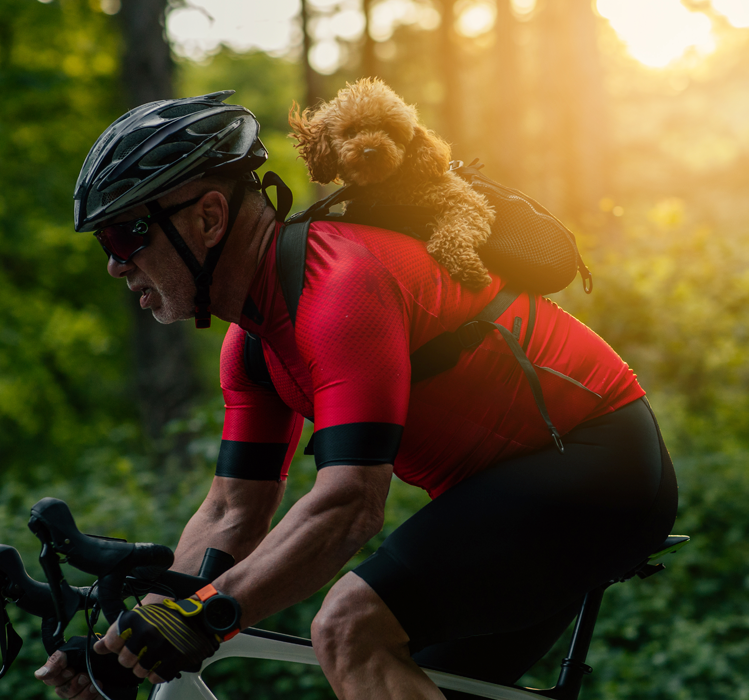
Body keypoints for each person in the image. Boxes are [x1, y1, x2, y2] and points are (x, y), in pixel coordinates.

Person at [36, 91, 677, 700]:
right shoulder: (253, 343)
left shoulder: (340, 287)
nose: (116, 265)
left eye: (127, 236)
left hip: (600, 465)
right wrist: (123, 645)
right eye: (106, 245)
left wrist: (208, 615)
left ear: (208, 217)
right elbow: (234, 511)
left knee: (349, 627)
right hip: (501, 496)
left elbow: (349, 505)